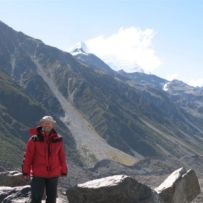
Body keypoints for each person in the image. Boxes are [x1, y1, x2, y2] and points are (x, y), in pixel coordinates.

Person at [22, 115, 68, 203]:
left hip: (54, 173)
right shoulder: (34, 139)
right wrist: (26, 172)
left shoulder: (58, 139)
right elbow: (28, 156)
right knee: (36, 197)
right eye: (45, 123)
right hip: (38, 173)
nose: (47, 125)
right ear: (41, 124)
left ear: (53, 125)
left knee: (52, 199)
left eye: (49, 123)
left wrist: (64, 170)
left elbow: (61, 155)